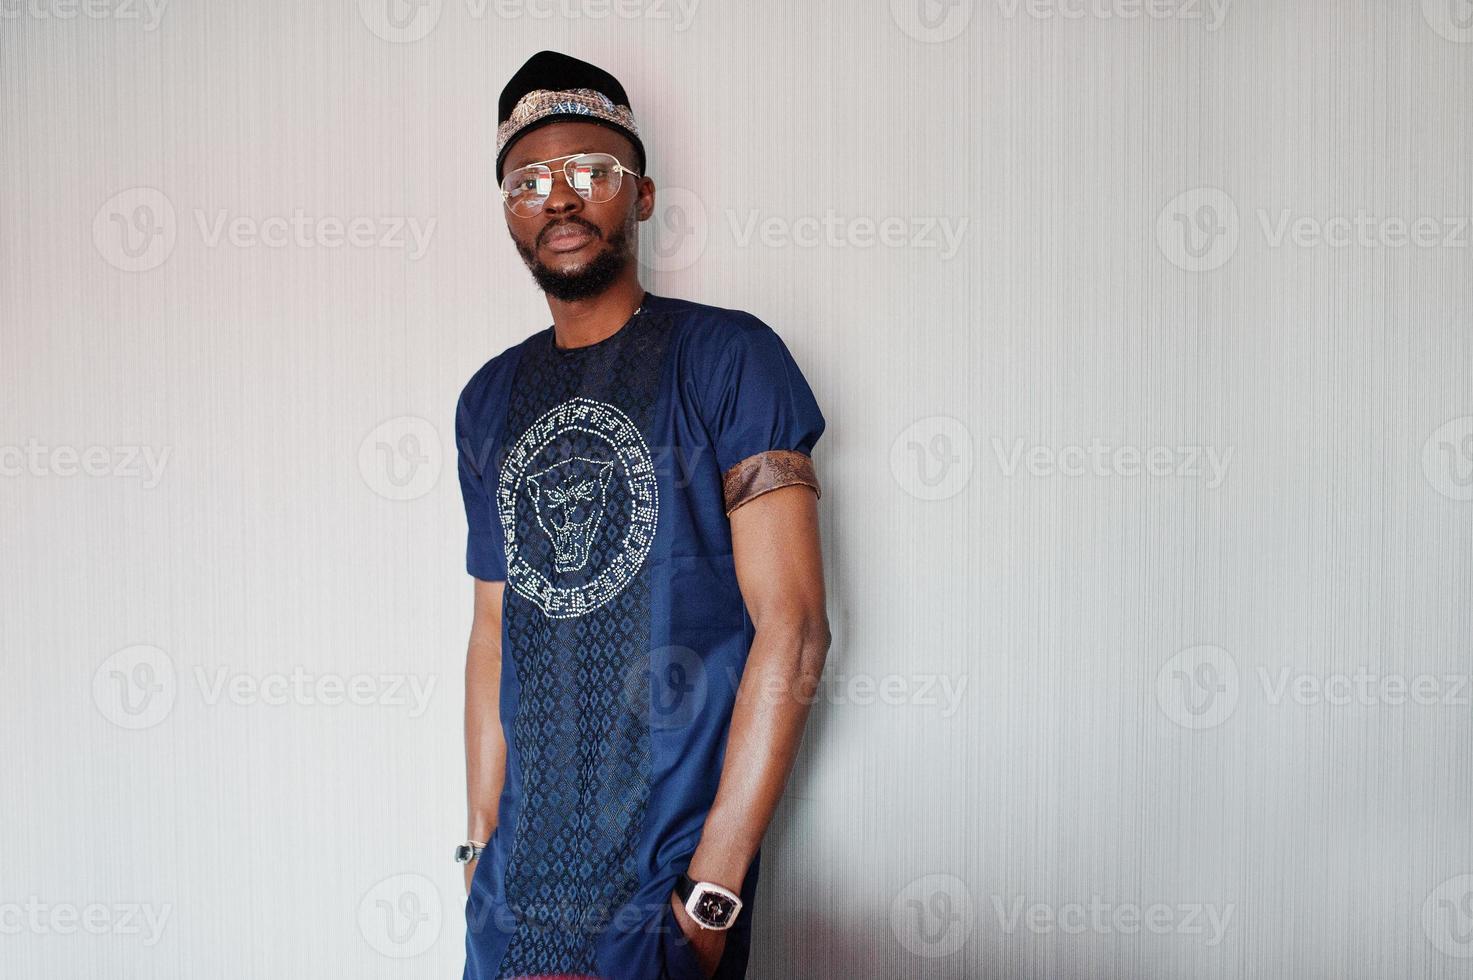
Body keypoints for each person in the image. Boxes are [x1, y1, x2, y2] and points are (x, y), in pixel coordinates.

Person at [455, 50, 831, 980]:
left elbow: (795, 629)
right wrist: (475, 855)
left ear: (643, 196)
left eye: (591, 172)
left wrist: (711, 895)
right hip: (511, 905)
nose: (560, 197)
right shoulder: (487, 400)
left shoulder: (729, 359)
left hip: (660, 901)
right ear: (508, 212)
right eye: (528, 181)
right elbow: (493, 629)